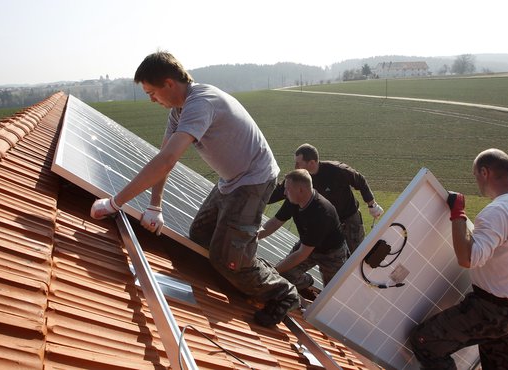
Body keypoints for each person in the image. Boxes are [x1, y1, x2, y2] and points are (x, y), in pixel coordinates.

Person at [90, 51, 299, 327]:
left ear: (168, 84)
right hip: (231, 179)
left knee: (225, 259)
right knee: (200, 235)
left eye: (152, 92)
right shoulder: (179, 110)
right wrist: (154, 205)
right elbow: (164, 155)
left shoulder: (201, 103)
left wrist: (115, 203)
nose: (152, 99)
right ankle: (245, 259)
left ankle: (284, 292)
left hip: (253, 180)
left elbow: (166, 161)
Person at [409, 148, 508, 369]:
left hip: (492, 310)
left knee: (425, 341)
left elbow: (467, 258)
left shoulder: (498, 211)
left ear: (484, 172)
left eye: (475, 176)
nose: (476, 182)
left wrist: (458, 214)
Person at [268, 143, 383, 255]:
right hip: (324, 223)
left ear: (312, 163)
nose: (296, 167)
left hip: (348, 220)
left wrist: (371, 204)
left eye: (299, 163)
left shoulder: (336, 170)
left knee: (357, 256)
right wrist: (257, 198)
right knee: (315, 255)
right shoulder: (299, 179)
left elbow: (360, 180)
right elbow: (277, 192)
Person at [259, 169, 348, 300]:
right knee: (286, 275)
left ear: (300, 190)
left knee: (332, 294)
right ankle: (306, 282)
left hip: (331, 254)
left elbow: (302, 254)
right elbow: (275, 222)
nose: (284, 193)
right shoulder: (293, 199)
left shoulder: (322, 213)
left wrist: (273, 271)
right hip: (307, 244)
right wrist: (254, 238)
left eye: (287, 189)